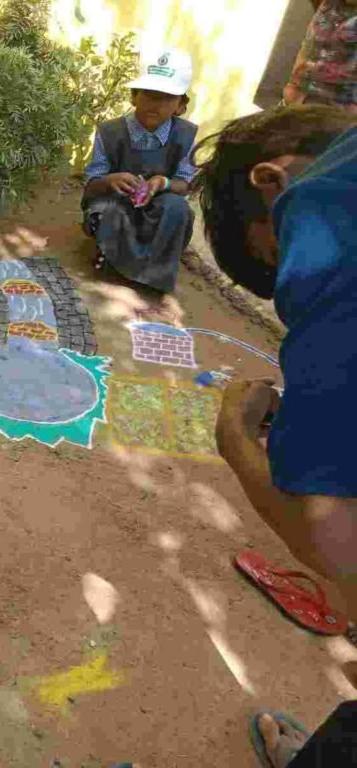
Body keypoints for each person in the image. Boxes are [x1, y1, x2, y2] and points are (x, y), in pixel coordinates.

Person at [192, 104, 357, 766]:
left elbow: (335, 536)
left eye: (277, 257)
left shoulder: (324, 216)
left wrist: (236, 444)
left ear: (272, 181)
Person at [82, 47, 199, 294]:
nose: (155, 104)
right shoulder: (109, 132)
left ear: (180, 106)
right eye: (149, 95)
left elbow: (186, 184)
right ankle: (111, 264)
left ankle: (155, 275)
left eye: (167, 98)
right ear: (134, 97)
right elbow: (91, 185)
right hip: (117, 201)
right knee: (108, 212)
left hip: (159, 203)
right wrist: (110, 180)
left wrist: (163, 183)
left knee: (177, 209)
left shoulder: (186, 135)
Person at [283, 0, 357, 112]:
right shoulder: (329, 5)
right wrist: (293, 85)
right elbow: (309, 45)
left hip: (341, 110)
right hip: (302, 99)